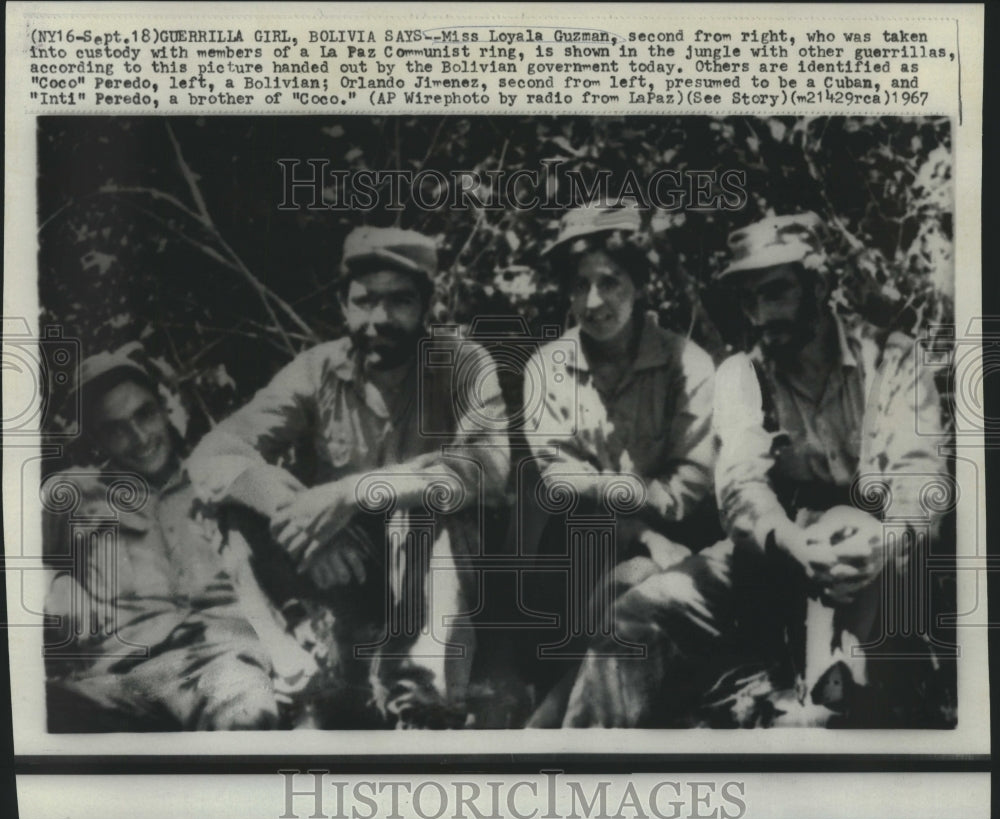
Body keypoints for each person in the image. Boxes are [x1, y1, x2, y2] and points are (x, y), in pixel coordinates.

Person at [564, 212, 952, 728]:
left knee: (838, 680)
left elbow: (919, 477)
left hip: (880, 566)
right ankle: (582, 776)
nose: (761, 314)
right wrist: (791, 542)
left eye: (775, 292)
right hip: (778, 556)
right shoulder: (742, 374)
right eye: (748, 300)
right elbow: (742, 486)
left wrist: (886, 540)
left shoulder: (893, 361)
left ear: (821, 284)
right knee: (638, 615)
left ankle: (830, 709)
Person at [187, 226, 510, 728]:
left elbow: (488, 466)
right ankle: (291, 668)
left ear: (427, 306)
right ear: (343, 306)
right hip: (346, 572)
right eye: (365, 301)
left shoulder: (463, 363)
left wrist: (354, 492)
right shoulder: (317, 370)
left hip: (441, 580)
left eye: (400, 301)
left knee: (430, 504)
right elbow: (215, 455)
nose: (380, 319)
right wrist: (300, 517)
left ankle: (421, 699)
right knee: (235, 511)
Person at [518, 201, 718, 726]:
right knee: (625, 575)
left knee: (643, 584)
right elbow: (559, 478)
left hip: (679, 538)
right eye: (579, 284)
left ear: (640, 284)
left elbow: (690, 485)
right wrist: (642, 521)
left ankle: (559, 724)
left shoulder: (687, 365)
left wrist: (621, 500)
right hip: (578, 551)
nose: (594, 301)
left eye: (610, 281)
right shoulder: (547, 368)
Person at [42, 344, 298, 731]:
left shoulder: (216, 478)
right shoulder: (73, 493)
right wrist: (55, 584)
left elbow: (297, 527)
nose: (140, 436)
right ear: (96, 439)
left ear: (165, 408)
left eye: (144, 414)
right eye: (115, 429)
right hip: (113, 682)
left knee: (245, 720)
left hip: (221, 665)